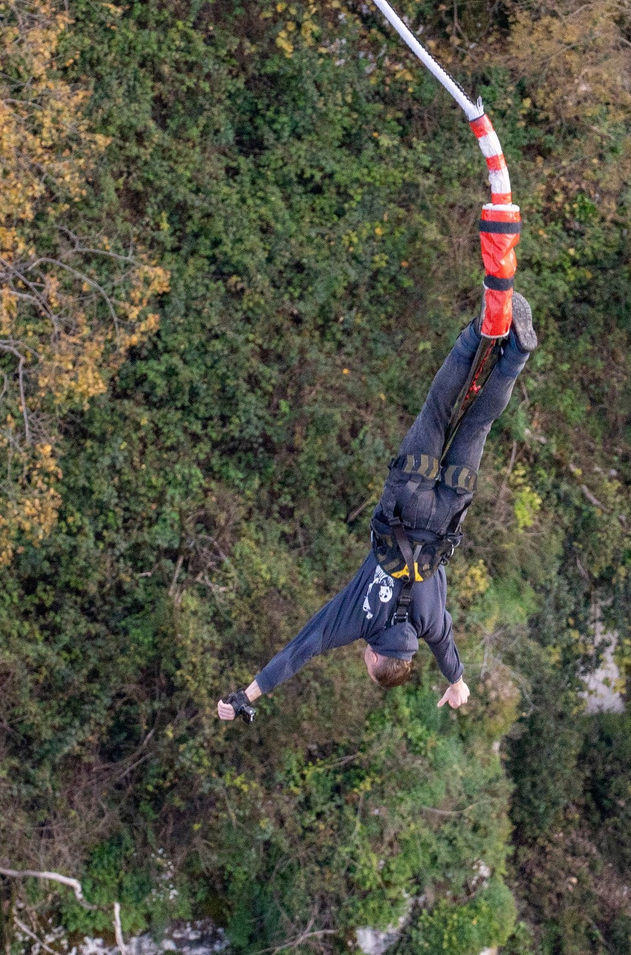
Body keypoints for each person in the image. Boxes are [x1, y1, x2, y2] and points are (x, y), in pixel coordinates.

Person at [219, 291, 535, 721]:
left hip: (447, 512)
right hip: (406, 500)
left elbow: (449, 656)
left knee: (478, 422)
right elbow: (301, 648)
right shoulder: (359, 622)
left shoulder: (430, 625)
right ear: (373, 657)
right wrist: (246, 695)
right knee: (435, 411)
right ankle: (478, 329)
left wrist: (458, 683)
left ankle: (516, 355)